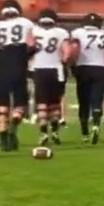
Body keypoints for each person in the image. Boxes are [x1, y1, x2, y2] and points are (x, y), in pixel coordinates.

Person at [0, 0, 36, 151]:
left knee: (2, 107)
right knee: (20, 105)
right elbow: (32, 46)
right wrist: (22, 58)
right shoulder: (25, 23)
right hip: (18, 64)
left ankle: (3, 139)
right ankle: (13, 127)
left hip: (0, 66)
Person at [70, 13, 104, 144]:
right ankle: (96, 125)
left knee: (83, 101)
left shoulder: (77, 33)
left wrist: (71, 65)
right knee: (97, 100)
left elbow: (74, 51)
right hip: (100, 68)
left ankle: (84, 132)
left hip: (83, 67)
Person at [31, 8, 71, 145]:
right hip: (55, 70)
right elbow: (67, 52)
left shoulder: (34, 31)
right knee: (54, 103)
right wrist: (63, 62)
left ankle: (43, 132)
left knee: (42, 103)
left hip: (38, 69)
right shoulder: (61, 33)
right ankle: (54, 130)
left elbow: (28, 49)